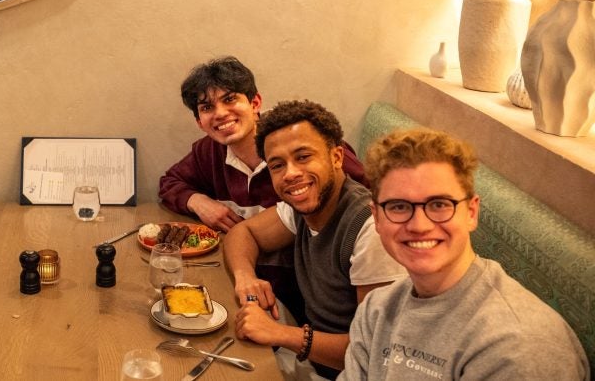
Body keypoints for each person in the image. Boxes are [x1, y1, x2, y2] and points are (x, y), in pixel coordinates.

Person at [341, 128, 589, 380]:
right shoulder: (376, 309)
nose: (419, 225)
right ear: (377, 218)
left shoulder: (520, 346)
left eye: (439, 205)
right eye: (398, 207)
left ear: (471, 212)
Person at [159, 57, 368, 322]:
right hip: (243, 278)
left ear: (255, 103)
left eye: (230, 99)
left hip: (305, 299)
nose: (221, 113)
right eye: (207, 107)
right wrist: (198, 201)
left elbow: (368, 200)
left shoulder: (300, 145)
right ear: (200, 121)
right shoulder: (208, 151)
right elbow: (170, 182)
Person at [224, 100, 406, 379]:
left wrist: (281, 334)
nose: (291, 174)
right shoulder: (301, 207)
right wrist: (245, 276)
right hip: (308, 358)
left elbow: (374, 351)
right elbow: (242, 233)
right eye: (277, 165)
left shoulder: (370, 230)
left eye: (303, 157)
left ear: (336, 157)